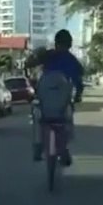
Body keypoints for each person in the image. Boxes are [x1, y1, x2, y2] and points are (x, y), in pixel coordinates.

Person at [32, 29, 85, 165]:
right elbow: (79, 80)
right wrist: (78, 95)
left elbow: (32, 63)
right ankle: (64, 148)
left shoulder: (48, 55)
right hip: (62, 101)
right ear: (70, 45)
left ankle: (39, 146)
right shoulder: (71, 60)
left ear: (56, 43)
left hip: (46, 99)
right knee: (67, 119)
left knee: (38, 117)